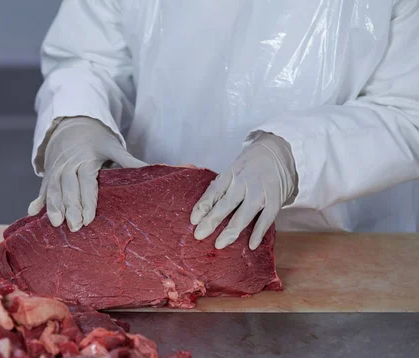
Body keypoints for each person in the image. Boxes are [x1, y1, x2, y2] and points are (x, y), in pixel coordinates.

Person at [28, 0, 419, 250]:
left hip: (340, 245)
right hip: (153, 242)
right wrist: (75, 118)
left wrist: (294, 156)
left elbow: (408, 108)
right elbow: (87, 58)